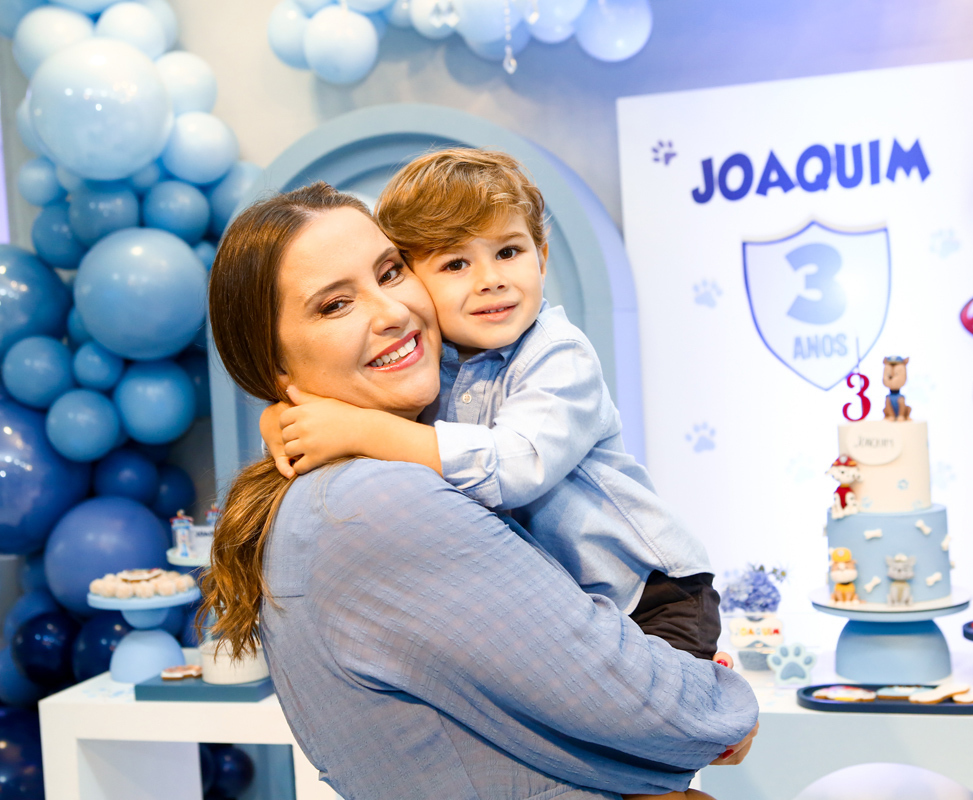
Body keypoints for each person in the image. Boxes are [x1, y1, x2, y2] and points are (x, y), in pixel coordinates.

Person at [202, 182, 759, 799]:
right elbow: (665, 713)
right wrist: (718, 709)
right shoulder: (381, 502)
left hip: (653, 590)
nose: (391, 313)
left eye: (391, 272)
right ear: (273, 364)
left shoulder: (519, 367)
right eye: (335, 305)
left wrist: (301, 416)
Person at [262, 149, 728, 666]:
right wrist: (284, 418)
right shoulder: (426, 363)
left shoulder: (559, 355)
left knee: (664, 708)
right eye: (456, 264)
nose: (490, 279)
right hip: (573, 609)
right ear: (416, 281)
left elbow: (515, 466)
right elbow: (352, 408)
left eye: (508, 252)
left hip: (650, 591)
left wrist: (359, 429)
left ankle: (712, 687)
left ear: (542, 258)